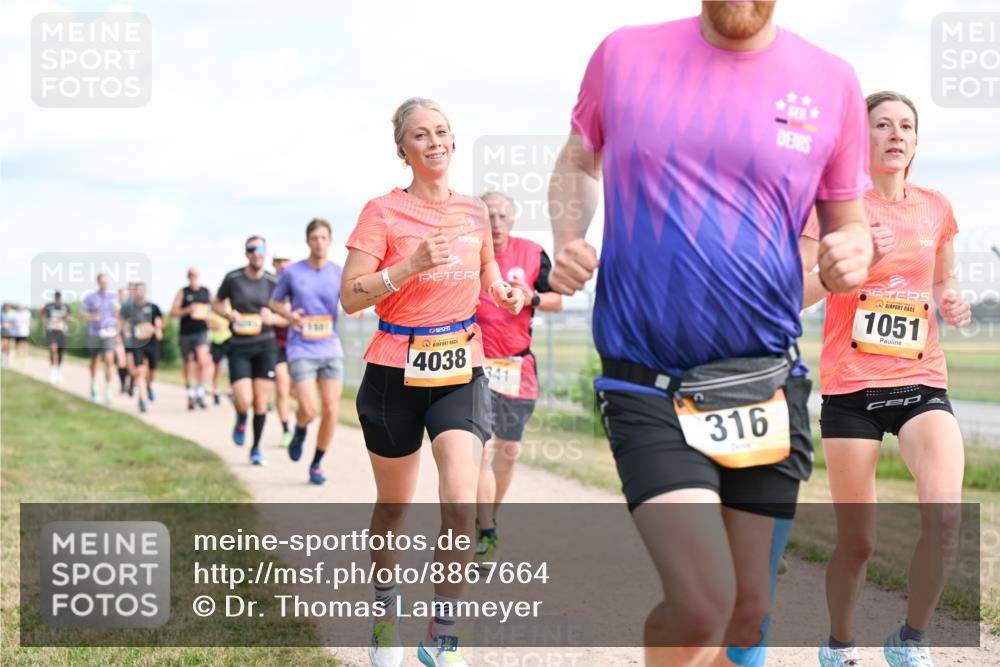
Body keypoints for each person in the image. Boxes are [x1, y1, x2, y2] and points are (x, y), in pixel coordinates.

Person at [547, 3, 874, 666]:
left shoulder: (832, 80)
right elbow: (577, 164)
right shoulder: (623, 53)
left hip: (765, 384)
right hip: (647, 378)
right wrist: (568, 237)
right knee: (702, 601)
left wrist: (854, 252)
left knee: (748, 614)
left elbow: (851, 221)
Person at [341, 97, 524, 667]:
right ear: (404, 151)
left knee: (460, 503)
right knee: (394, 507)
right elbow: (350, 298)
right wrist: (409, 265)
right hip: (394, 369)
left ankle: (441, 633)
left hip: (459, 368)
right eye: (421, 135)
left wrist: (501, 290)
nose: (435, 141)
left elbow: (487, 267)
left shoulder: (472, 211)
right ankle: (383, 614)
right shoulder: (381, 212)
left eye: (442, 131)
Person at [801, 91, 971, 667]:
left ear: (917, 143)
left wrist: (950, 301)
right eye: (882, 124)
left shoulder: (935, 208)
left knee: (946, 521)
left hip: (922, 380)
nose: (896, 134)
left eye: (906, 126)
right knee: (859, 541)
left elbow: (941, 279)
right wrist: (843, 266)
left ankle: (910, 640)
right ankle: (839, 644)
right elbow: (793, 296)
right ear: (860, 139)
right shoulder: (830, 210)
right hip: (851, 388)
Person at [473, 191, 562, 566]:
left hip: (516, 367)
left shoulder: (532, 253)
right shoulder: (468, 254)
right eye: (488, 216)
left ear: (513, 219)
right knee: (480, 451)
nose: (495, 223)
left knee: (507, 452)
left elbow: (557, 298)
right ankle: (485, 528)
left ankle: (486, 520)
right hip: (473, 366)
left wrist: (532, 298)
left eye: (502, 216)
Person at [269, 219, 345, 485]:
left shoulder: (338, 272)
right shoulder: (292, 272)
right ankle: (300, 429)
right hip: (301, 347)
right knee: (309, 409)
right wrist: (291, 316)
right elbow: (274, 303)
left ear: (330, 241)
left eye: (324, 238)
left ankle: (316, 463)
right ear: (307, 241)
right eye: (314, 238)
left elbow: (352, 301)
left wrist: (359, 308)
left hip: (330, 346)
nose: (319, 242)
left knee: (332, 410)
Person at [214, 236, 280, 465]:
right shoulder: (233, 278)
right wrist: (227, 314)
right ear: (246, 253)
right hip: (240, 346)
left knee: (261, 402)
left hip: (265, 345)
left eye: (260, 248)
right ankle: (241, 416)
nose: (256, 253)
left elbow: (288, 313)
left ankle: (255, 448)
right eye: (252, 249)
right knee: (244, 399)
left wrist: (272, 316)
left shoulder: (273, 281)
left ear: (265, 252)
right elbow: (217, 303)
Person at [171, 268, 213, 410]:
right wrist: (187, 310)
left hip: (201, 331)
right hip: (186, 332)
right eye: (191, 276)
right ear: (188, 278)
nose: (193, 279)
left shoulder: (206, 292)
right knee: (188, 363)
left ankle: (200, 391)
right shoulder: (183, 292)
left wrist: (209, 317)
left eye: (195, 276)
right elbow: (173, 312)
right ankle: (189, 392)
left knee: (203, 361)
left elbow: (213, 309)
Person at [120, 283, 164, 413]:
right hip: (137, 343)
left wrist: (158, 329)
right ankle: (143, 400)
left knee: (152, 372)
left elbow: (160, 321)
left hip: (152, 342)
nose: (140, 293)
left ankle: (149, 386)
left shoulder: (153, 307)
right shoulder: (129, 307)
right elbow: (124, 321)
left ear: (145, 292)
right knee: (139, 371)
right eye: (137, 290)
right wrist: (126, 332)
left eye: (142, 290)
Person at [80, 274, 120, 403]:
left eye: (106, 282)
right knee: (95, 361)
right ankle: (93, 385)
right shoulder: (91, 297)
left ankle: (108, 389)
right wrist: (92, 316)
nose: (104, 284)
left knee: (109, 360)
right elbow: (81, 313)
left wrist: (118, 330)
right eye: (102, 282)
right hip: (95, 333)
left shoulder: (114, 297)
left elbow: (119, 314)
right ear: (98, 282)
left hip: (109, 333)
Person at [271, 248, 295, 447]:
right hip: (277, 345)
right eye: (278, 261)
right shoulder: (269, 286)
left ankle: (302, 423)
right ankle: (286, 429)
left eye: (285, 260)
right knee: (281, 387)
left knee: (296, 391)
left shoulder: (299, 284)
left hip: (300, 345)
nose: (282, 265)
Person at [41, 291, 73, 384]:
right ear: (54, 298)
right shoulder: (48, 306)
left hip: (62, 331)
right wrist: (46, 324)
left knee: (60, 353)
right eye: (56, 297)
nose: (58, 299)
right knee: (52, 349)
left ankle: (58, 370)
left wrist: (67, 318)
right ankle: (53, 370)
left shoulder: (65, 307)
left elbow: (69, 318)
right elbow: (43, 316)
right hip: (51, 331)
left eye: (59, 297)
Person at [209, 308, 232, 405]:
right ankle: (216, 392)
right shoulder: (214, 308)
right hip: (217, 341)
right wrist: (215, 327)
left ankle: (231, 391)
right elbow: (208, 323)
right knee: (217, 368)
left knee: (233, 367)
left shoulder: (231, 306)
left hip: (229, 339)